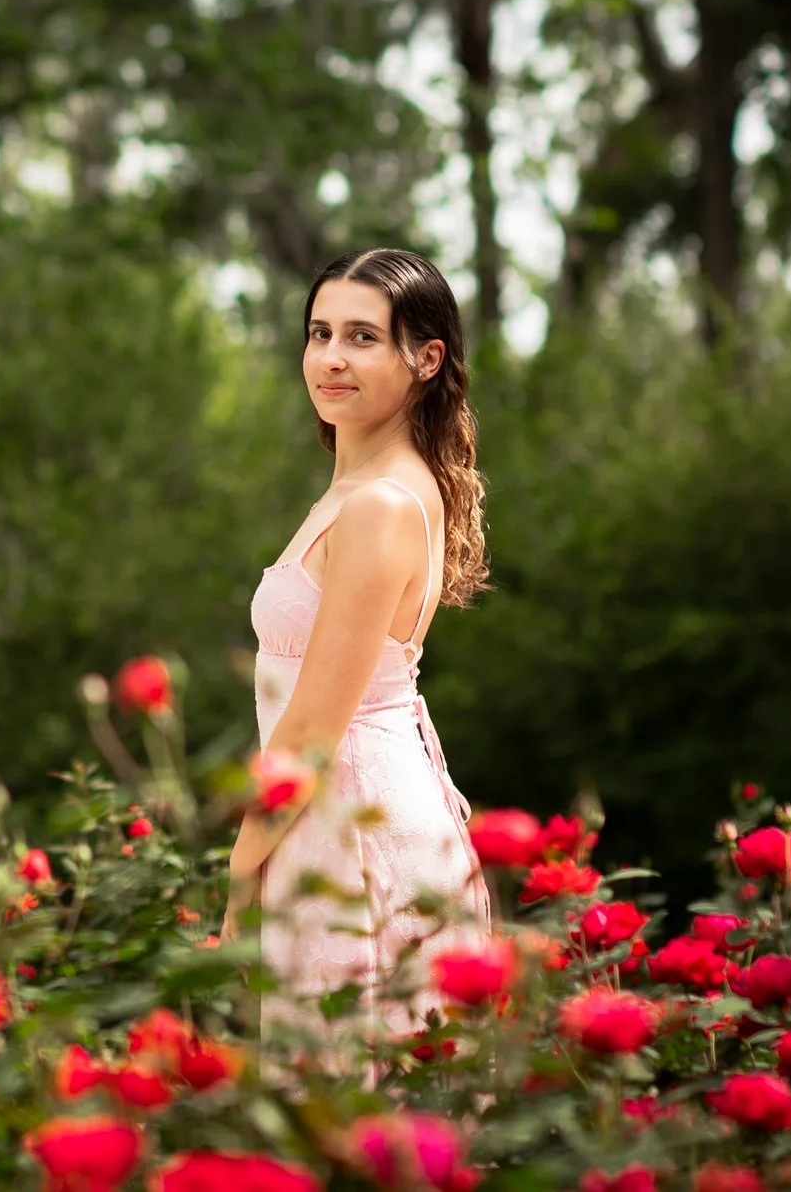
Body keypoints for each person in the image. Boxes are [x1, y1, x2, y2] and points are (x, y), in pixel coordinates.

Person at [222, 246, 491, 1047]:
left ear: (425, 357)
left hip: (355, 827)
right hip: (328, 820)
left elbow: (308, 736)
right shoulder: (362, 487)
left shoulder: (379, 502)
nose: (331, 357)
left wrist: (239, 870)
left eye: (363, 337)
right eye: (319, 332)